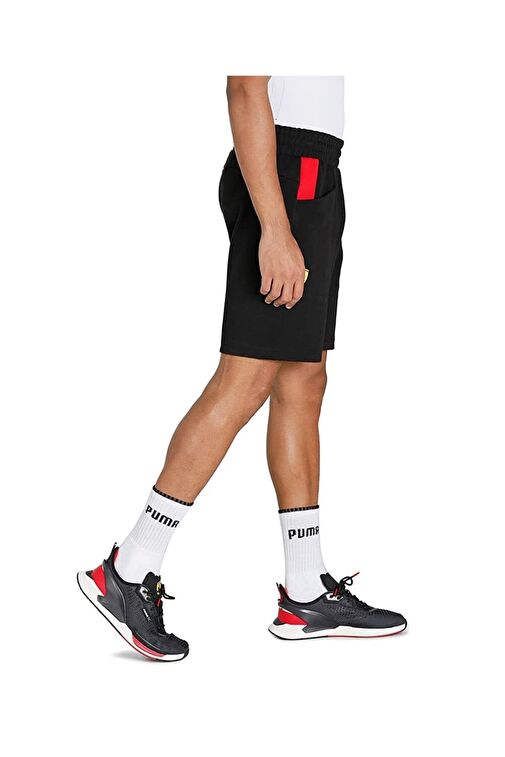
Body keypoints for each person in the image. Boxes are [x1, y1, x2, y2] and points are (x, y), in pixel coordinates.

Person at [77, 76, 407, 661]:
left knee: (304, 379)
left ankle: (305, 591)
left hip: (315, 172)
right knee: (246, 378)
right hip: (283, 173)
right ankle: (129, 567)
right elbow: (245, 91)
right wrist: (275, 229)